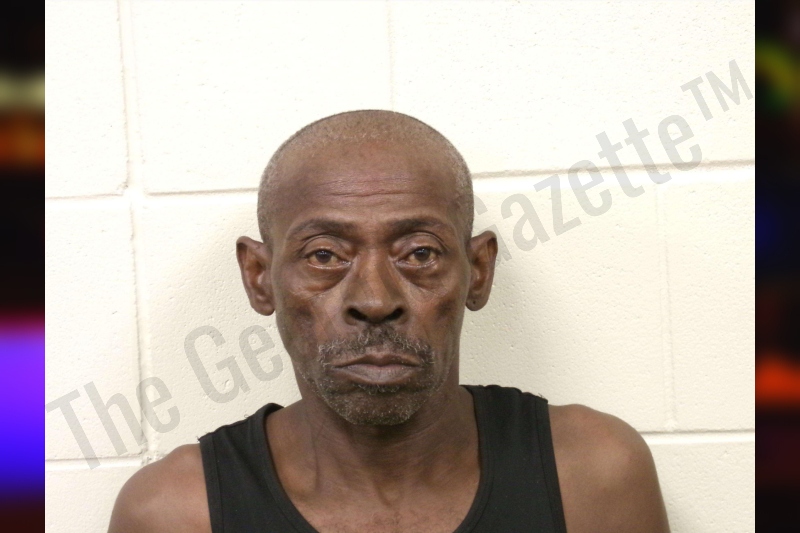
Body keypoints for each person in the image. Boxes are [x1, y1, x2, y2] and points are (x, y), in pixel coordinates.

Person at [108, 110, 670, 532]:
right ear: (259, 278)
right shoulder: (177, 512)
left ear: (477, 272)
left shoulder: (590, 477)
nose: (375, 300)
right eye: (324, 255)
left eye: (419, 253)